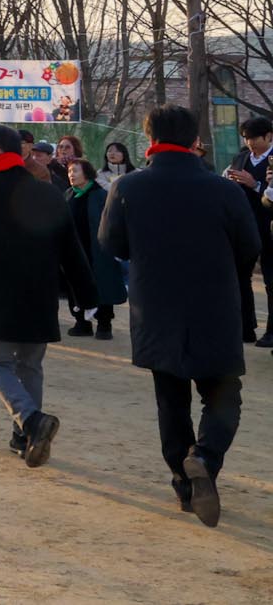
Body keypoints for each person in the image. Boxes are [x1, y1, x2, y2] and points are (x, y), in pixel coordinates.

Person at [100, 103, 262, 526]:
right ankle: (204, 459)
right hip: (215, 306)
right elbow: (250, 247)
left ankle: (183, 484)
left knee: (170, 400)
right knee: (224, 394)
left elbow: (112, 243)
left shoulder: (128, 188)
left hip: (155, 307)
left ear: (149, 137)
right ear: (194, 140)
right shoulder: (225, 189)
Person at [0, 124, 98, 468]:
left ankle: (31, 421)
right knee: (30, 363)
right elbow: (70, 247)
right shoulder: (47, 191)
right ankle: (24, 437)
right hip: (39, 291)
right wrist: (87, 293)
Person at [221, 115, 273, 348]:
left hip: (269, 227)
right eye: (246, 138)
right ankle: (246, 327)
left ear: (268, 136)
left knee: (271, 280)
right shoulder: (240, 158)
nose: (250, 143)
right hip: (243, 226)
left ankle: (271, 331)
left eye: (254, 138)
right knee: (240, 276)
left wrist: (255, 184)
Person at [64, 159, 124, 340]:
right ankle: (82, 322)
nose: (71, 175)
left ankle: (104, 324)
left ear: (87, 173)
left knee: (103, 285)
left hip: (98, 250)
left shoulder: (100, 195)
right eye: (69, 172)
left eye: (75, 171)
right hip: (75, 251)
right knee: (76, 286)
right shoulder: (68, 195)